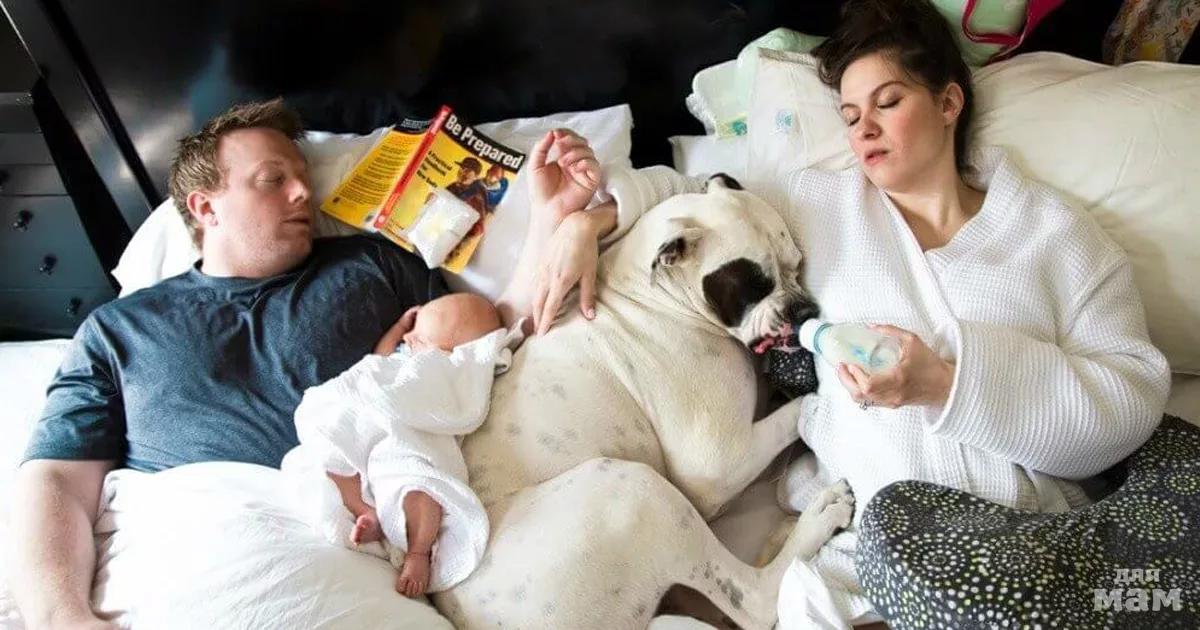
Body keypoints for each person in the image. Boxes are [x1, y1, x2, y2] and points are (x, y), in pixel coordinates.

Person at [522, 0, 1172, 627]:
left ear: (949, 103)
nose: (863, 130)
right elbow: (697, 201)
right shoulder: (815, 207)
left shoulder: (1053, 234)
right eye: (850, 114)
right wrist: (588, 222)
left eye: (888, 103)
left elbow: (1129, 401)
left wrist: (947, 384)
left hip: (1038, 555)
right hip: (869, 568)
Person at [10, 95, 600, 628]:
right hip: (181, 555)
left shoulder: (372, 265)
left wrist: (554, 217)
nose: (302, 193)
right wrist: (61, 617)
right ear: (205, 207)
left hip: (346, 559)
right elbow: (57, 479)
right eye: (273, 179)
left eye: (302, 177)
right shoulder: (117, 330)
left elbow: (482, 341)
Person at [287, 292, 512, 598]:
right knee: (330, 453)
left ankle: (419, 551)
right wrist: (398, 327)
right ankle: (367, 511)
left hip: (408, 438)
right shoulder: (402, 354)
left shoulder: (450, 368)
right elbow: (376, 360)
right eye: (409, 333)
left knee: (420, 482)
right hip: (365, 423)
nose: (408, 338)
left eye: (418, 335)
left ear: (452, 346)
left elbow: (468, 373)